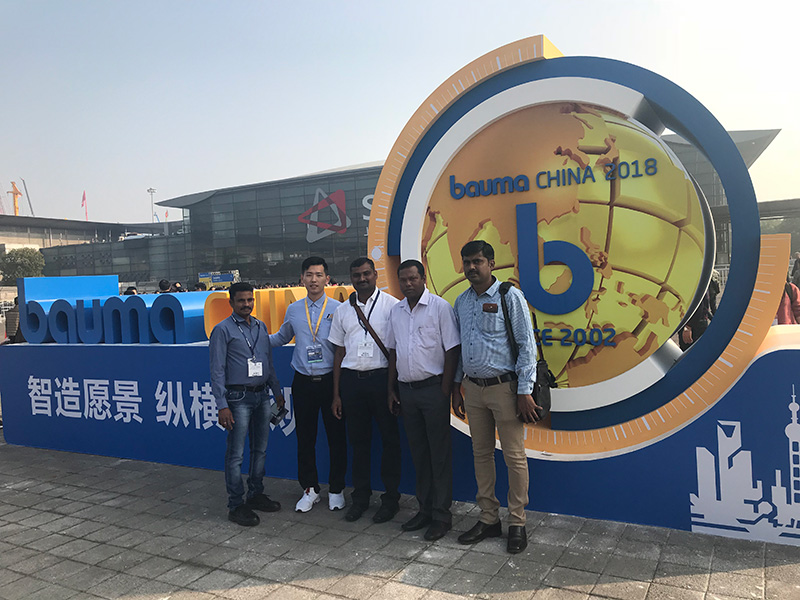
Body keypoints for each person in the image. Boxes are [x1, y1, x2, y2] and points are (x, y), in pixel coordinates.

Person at [452, 240, 538, 554]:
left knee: (514, 456)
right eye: (467, 262)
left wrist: (524, 390)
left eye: (477, 261)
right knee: (481, 454)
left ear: (491, 264)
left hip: (506, 389)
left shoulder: (509, 296)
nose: (471, 267)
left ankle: (517, 522)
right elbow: (461, 348)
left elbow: (527, 346)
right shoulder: (461, 301)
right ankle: (488, 518)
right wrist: (457, 386)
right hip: (473, 389)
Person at [386, 259, 460, 541]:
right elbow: (393, 352)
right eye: (403, 280)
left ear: (423, 278)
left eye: (413, 279)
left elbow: (452, 350)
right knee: (419, 453)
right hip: (406, 391)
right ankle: (425, 510)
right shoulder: (396, 311)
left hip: (433, 390)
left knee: (439, 454)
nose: (408, 284)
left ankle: (442, 515)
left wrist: (445, 390)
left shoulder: (440, 308)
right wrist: (391, 388)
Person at [270, 257, 348, 512]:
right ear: (302, 278)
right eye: (309, 275)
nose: (314, 280)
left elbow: (344, 346)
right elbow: (282, 337)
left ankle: (336, 489)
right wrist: (254, 337)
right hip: (303, 382)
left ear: (327, 279)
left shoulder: (338, 309)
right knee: (305, 438)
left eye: (319, 275)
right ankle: (310, 489)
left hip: (331, 382)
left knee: (336, 437)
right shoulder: (294, 309)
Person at [329, 257, 400, 523]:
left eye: (366, 274)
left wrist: (391, 388)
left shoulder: (392, 306)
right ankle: (360, 498)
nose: (362, 279)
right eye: (357, 275)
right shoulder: (343, 311)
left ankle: (390, 500)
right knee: (358, 443)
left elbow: (395, 351)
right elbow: (338, 352)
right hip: (352, 383)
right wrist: (336, 394)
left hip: (382, 380)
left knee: (390, 442)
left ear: (375, 275)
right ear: (351, 278)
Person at [209, 282, 285, 526]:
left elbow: (268, 363)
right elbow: (217, 370)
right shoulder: (222, 330)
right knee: (236, 454)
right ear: (231, 303)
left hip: (262, 396)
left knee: (260, 450)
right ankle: (236, 504)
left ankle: (255, 493)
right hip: (237, 398)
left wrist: (277, 391)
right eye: (241, 300)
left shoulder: (261, 327)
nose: (246, 304)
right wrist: (222, 405)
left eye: (250, 300)